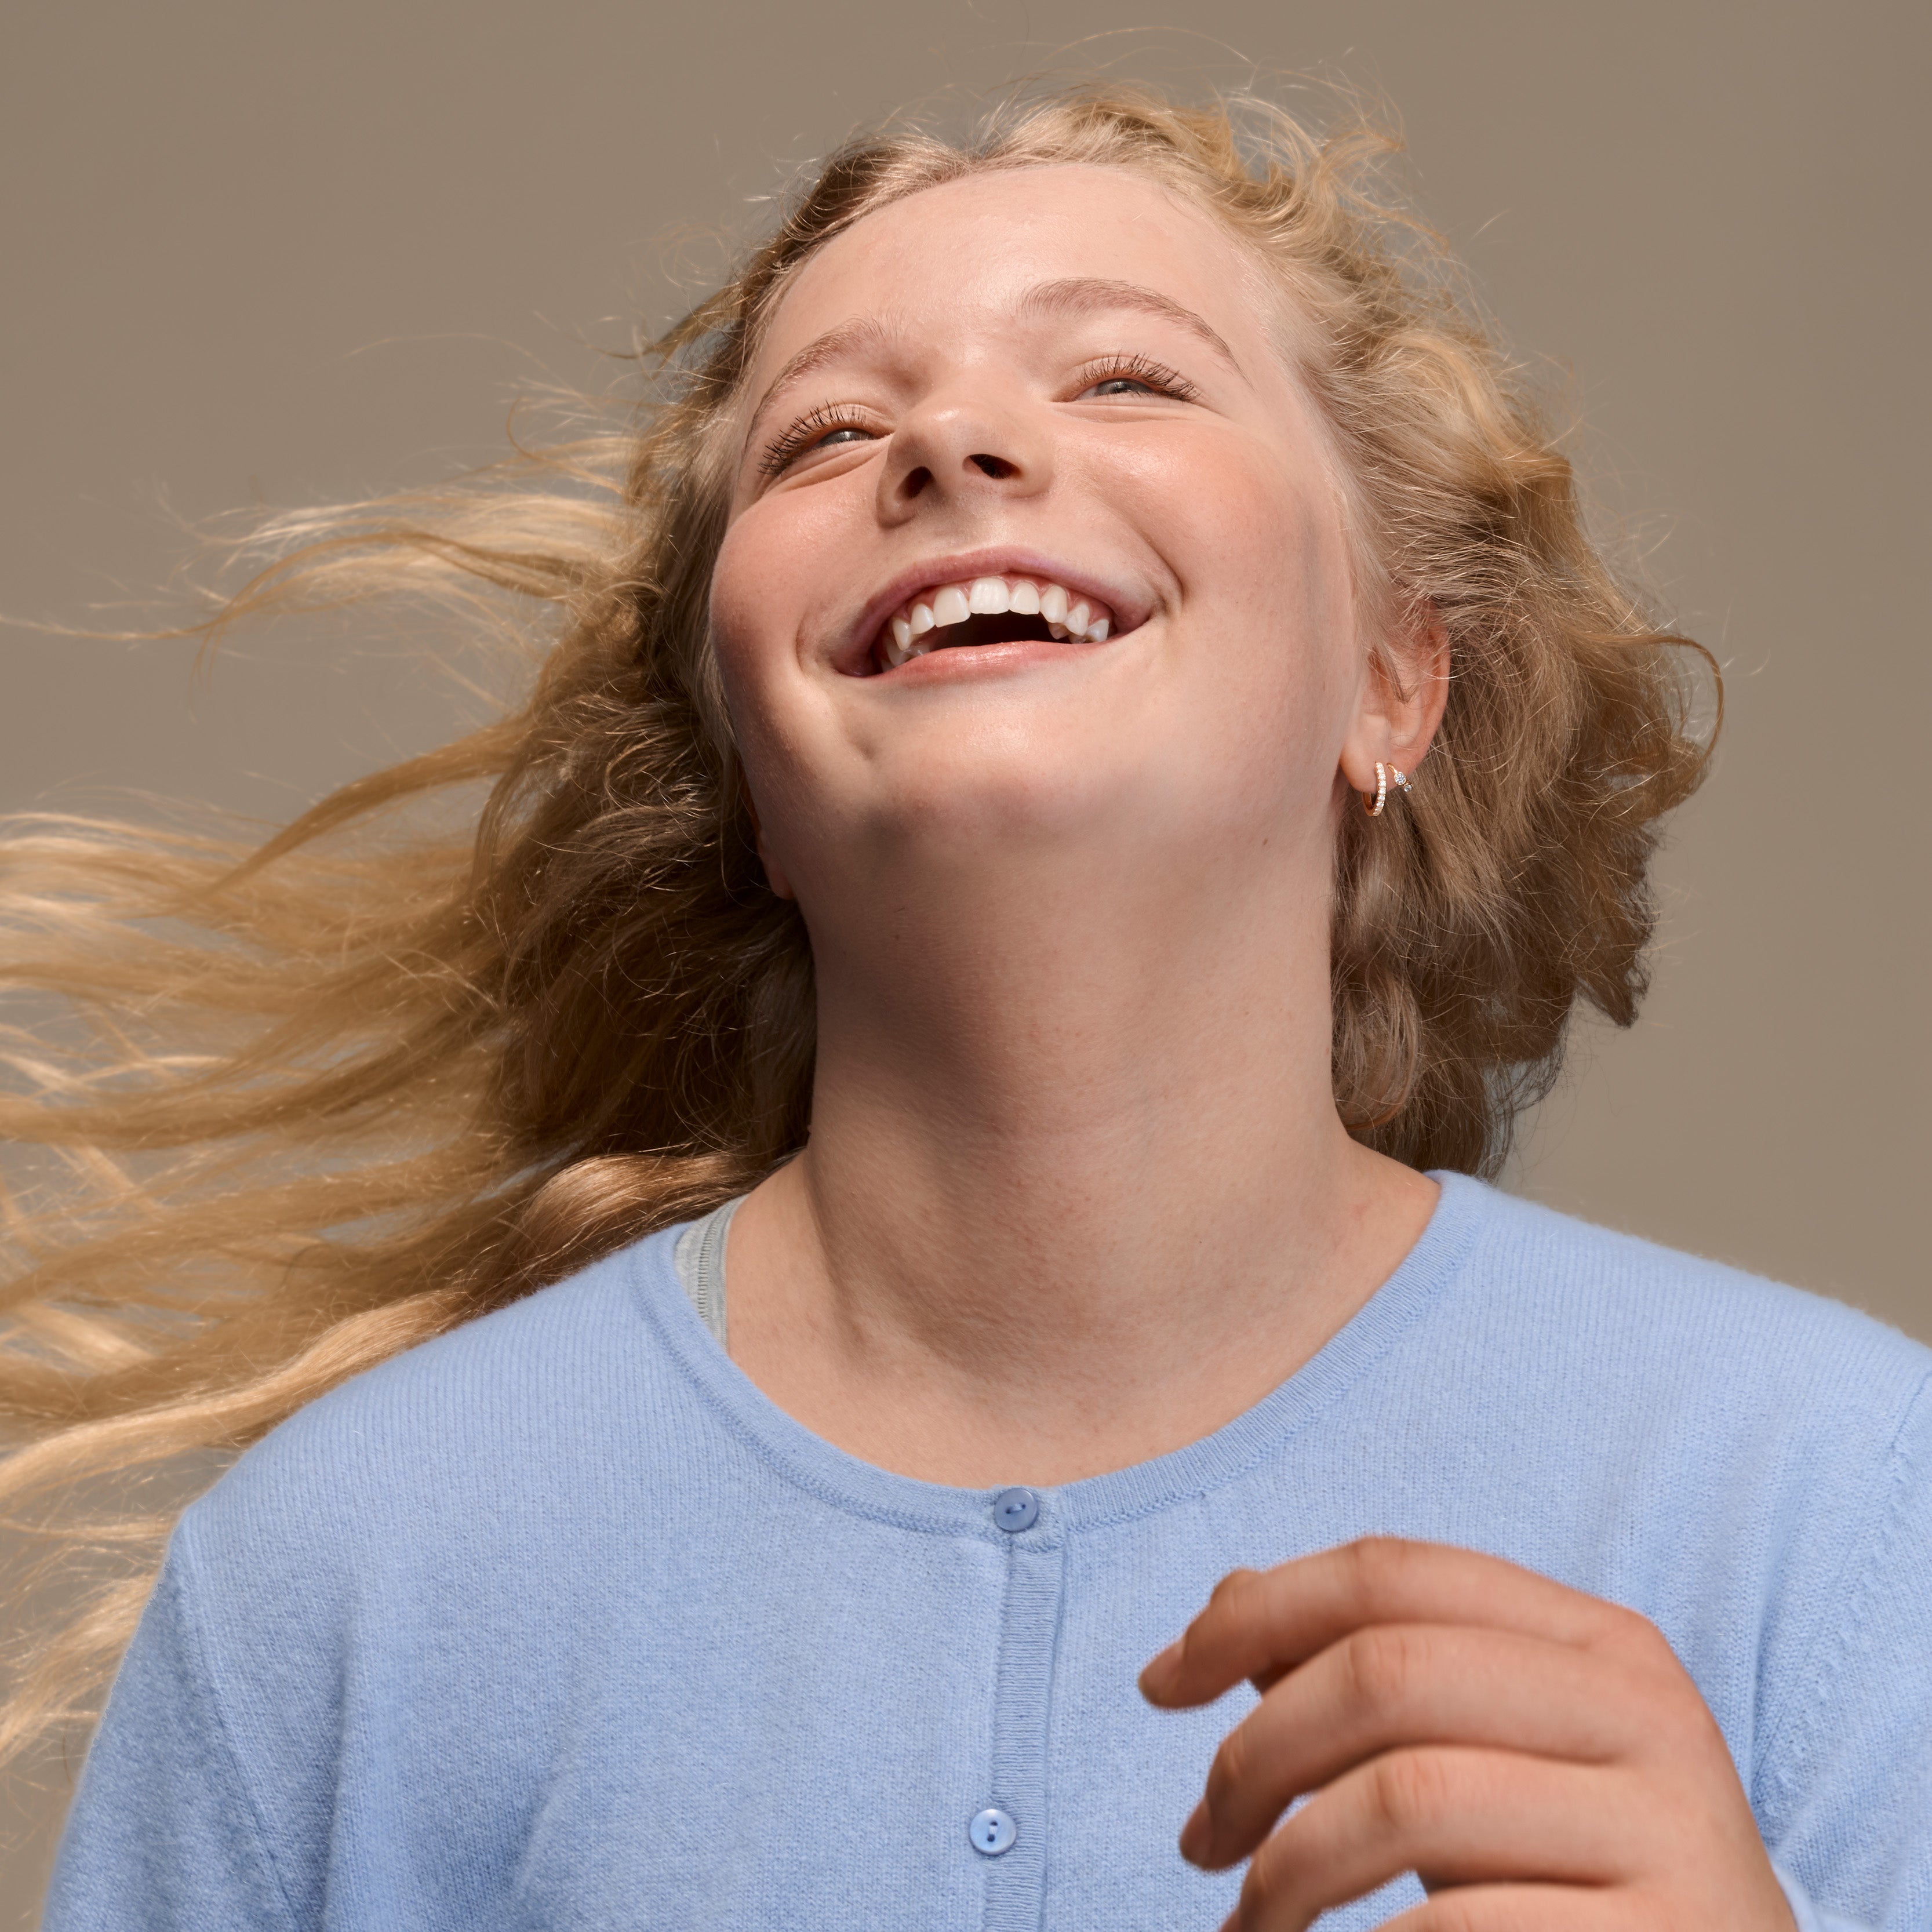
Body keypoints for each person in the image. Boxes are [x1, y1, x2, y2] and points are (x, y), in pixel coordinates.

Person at [6, 84, 1926, 1931]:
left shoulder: (1839, 1505)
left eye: (1128, 377)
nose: (953, 448)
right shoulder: (334, 1582)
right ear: (746, 767)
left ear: (1393, 684)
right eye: (830, 435)